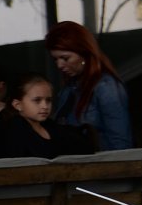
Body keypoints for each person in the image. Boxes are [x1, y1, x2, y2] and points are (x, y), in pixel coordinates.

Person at [47, 21, 131, 150]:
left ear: (84, 53)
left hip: (103, 161)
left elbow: (120, 143)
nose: (59, 65)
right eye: (55, 59)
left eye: (65, 58)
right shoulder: (68, 89)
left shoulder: (106, 87)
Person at [0, 74, 89, 160]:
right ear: (18, 105)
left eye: (48, 100)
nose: (45, 106)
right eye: (37, 100)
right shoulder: (12, 131)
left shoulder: (51, 126)